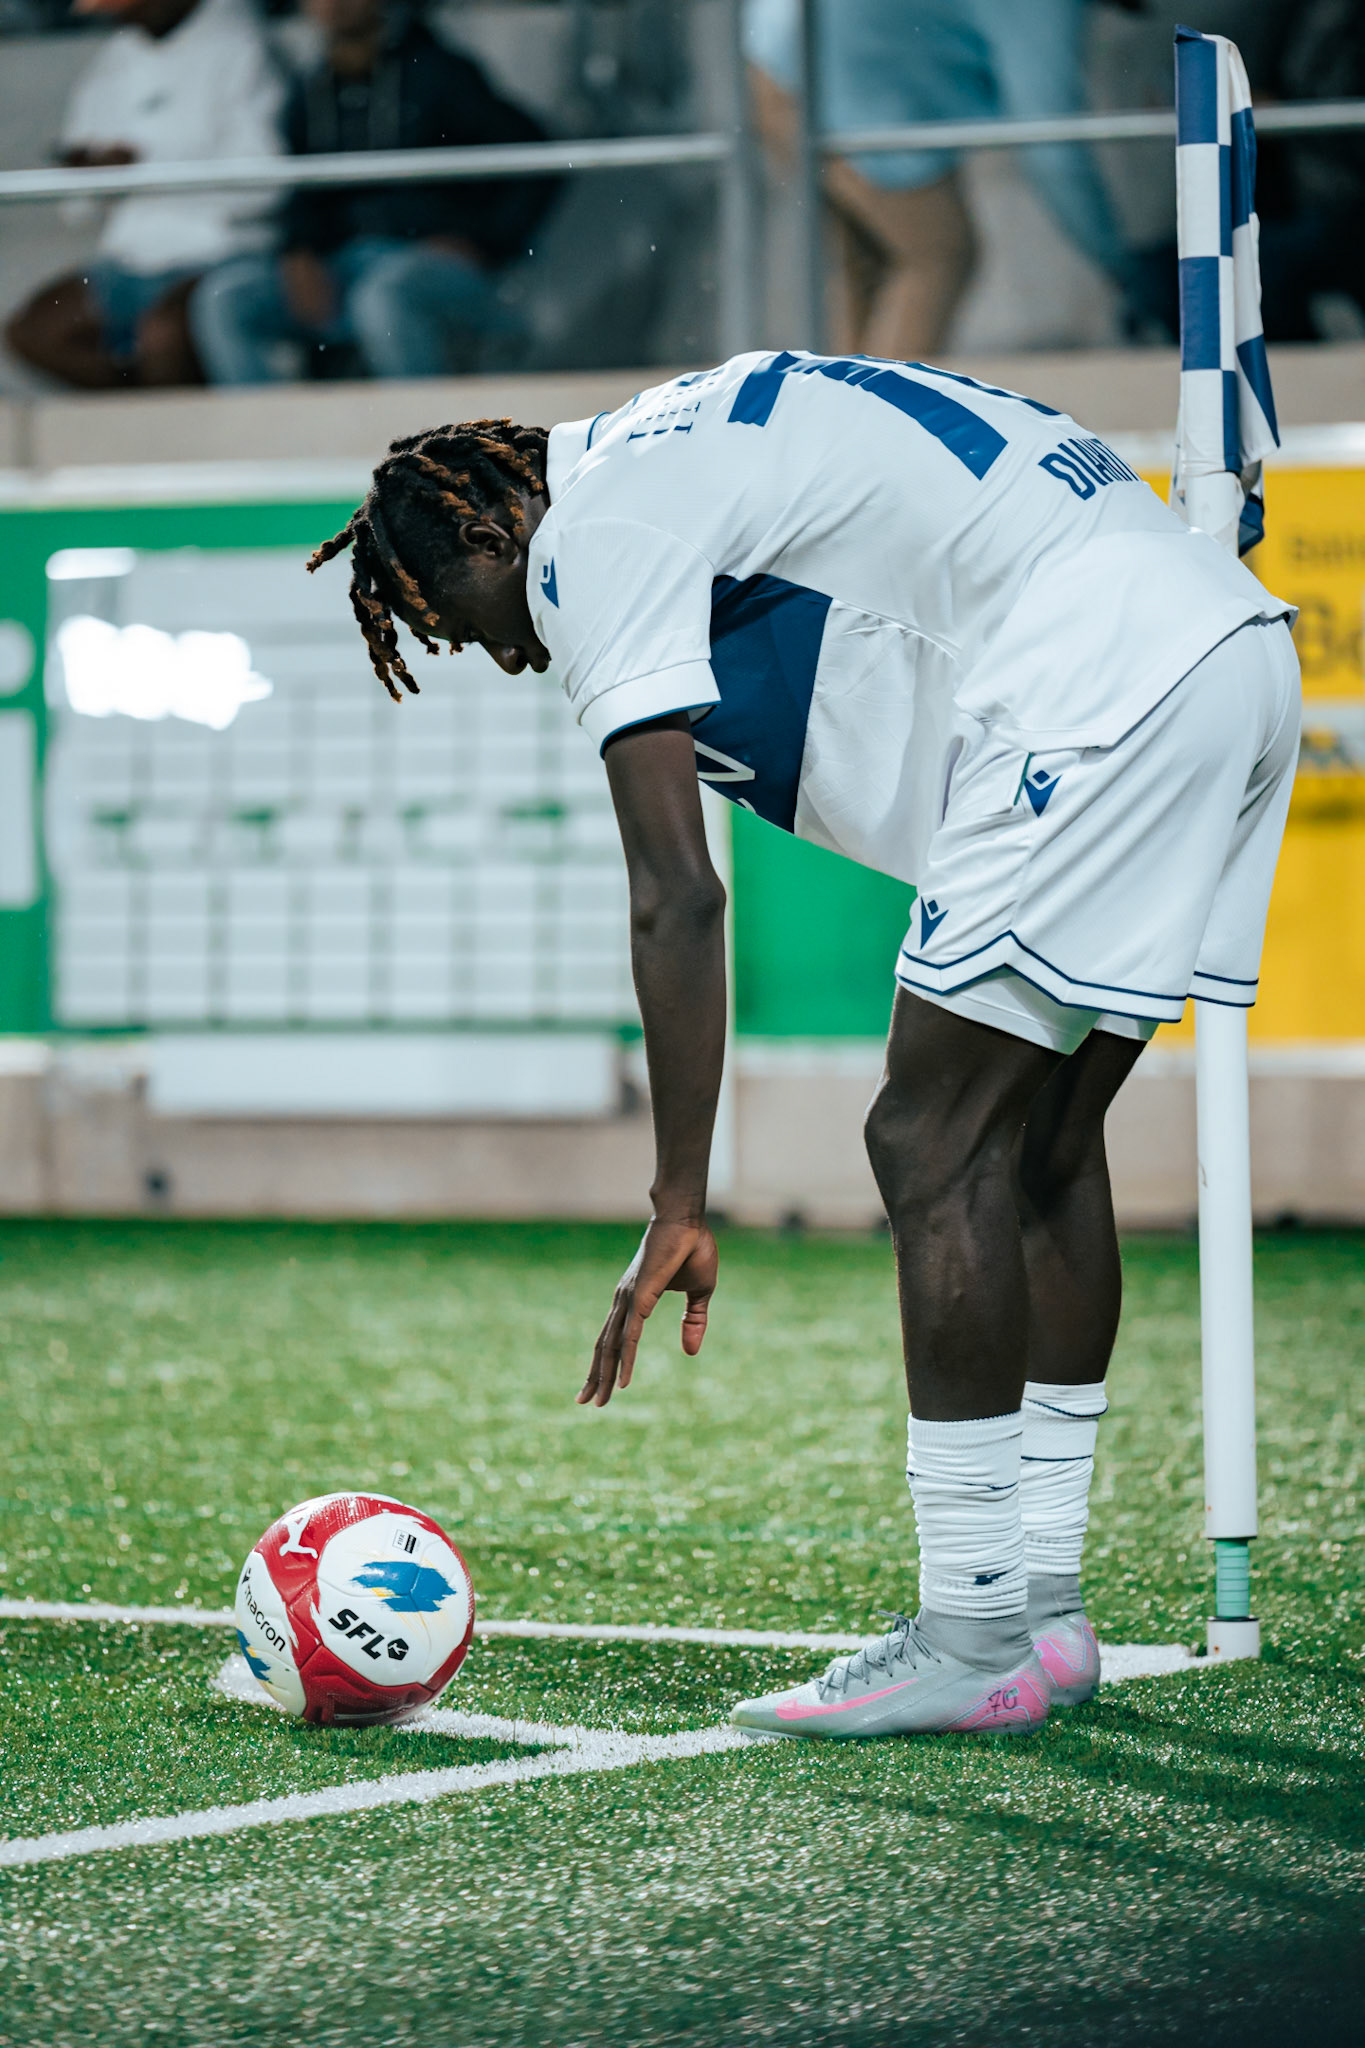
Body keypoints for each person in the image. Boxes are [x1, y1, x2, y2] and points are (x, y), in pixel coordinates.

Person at [307, 353, 1299, 1739]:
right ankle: (1044, 1618)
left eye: (454, 619)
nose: (495, 651)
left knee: (926, 1138)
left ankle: (967, 1634)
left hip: (1102, 679)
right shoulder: (692, 424)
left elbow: (676, 892)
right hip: (1234, 652)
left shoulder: (597, 531)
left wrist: (676, 1200)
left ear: (489, 529)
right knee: (1040, 1147)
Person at [190, 0, 556, 384]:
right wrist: (297, 250)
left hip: (427, 265)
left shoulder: (438, 72)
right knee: (226, 299)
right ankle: (270, 440)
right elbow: (301, 190)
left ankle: (425, 440)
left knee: (382, 295)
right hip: (344, 267)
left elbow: (534, 158)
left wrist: (484, 244)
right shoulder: (309, 90)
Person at [744, 0, 1132, 356]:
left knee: (865, 265)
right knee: (938, 256)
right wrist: (1129, 269)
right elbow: (1054, 143)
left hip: (773, 56)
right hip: (826, 72)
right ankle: (883, 424)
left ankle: (835, 422)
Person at [4, 0, 284, 389]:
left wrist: (144, 167)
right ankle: (140, 419)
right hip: (130, 260)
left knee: (162, 339)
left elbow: (265, 187)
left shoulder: (243, 46)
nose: (121, 15)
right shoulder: (111, 63)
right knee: (33, 332)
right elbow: (77, 209)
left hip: (219, 253)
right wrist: (96, 175)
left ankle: (169, 432)